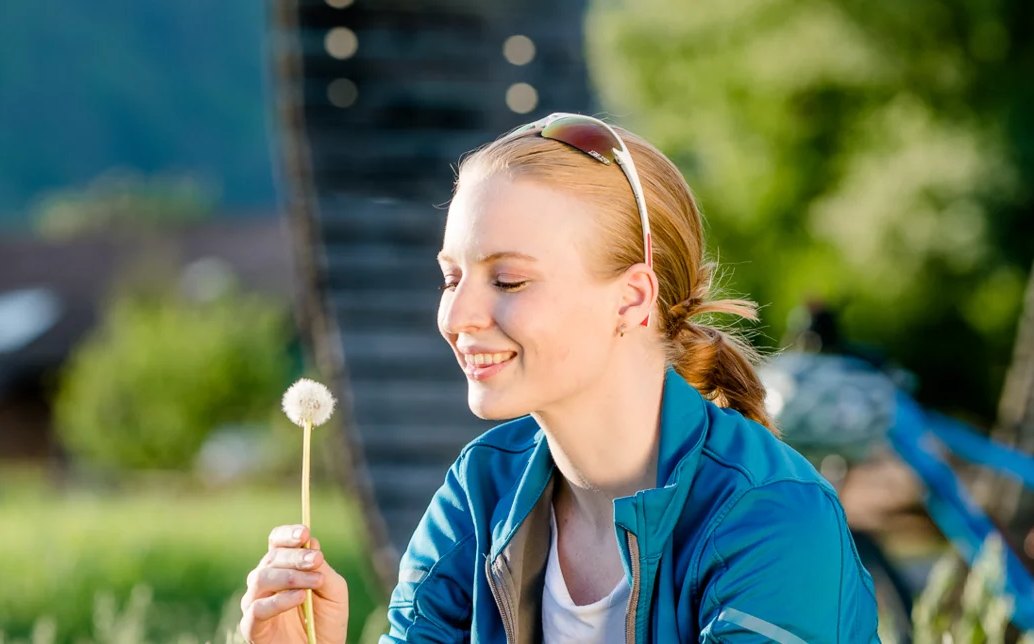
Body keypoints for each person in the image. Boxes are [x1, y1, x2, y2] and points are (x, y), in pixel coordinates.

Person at [239, 113, 880, 643]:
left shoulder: (771, 520)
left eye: (509, 280)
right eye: (451, 277)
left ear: (631, 299)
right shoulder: (481, 491)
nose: (457, 316)